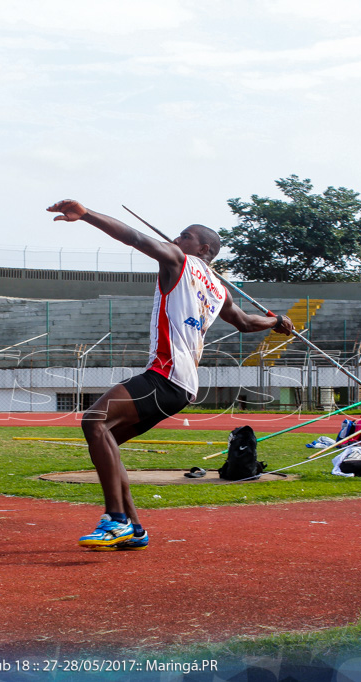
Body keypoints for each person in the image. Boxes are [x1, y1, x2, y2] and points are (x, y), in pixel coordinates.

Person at [47, 199, 295, 550]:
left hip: (165, 374)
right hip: (183, 387)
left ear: (203, 248)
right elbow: (244, 322)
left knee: (94, 421)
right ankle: (134, 527)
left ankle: (115, 519)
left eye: (185, 236)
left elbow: (134, 237)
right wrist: (277, 321)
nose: (177, 240)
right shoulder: (219, 289)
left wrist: (87, 215)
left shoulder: (180, 262)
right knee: (108, 442)